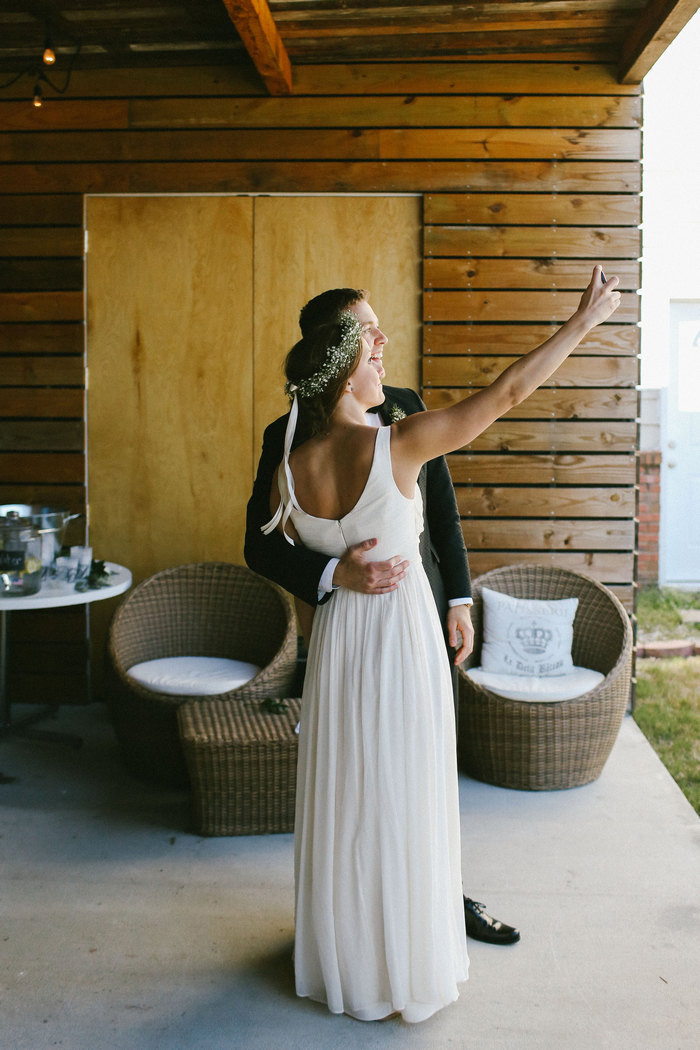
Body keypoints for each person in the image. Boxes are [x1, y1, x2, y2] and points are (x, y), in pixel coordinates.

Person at [256, 266, 621, 1022]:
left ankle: (348, 955)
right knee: (407, 789)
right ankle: (404, 960)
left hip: (338, 642)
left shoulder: (292, 461)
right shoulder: (399, 442)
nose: (384, 346)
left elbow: (276, 532)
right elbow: (509, 393)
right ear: (343, 361)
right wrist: (582, 323)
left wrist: (347, 569)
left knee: (350, 790)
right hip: (395, 636)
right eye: (369, 338)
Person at [245, 288, 520, 946]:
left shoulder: (406, 408)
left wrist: (459, 596)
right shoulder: (283, 436)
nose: (383, 341)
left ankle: (438, 904)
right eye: (369, 331)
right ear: (336, 347)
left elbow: (442, 510)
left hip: (417, 614)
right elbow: (257, 544)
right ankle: (359, 921)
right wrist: (331, 573)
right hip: (345, 624)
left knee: (419, 774)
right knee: (358, 776)